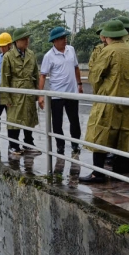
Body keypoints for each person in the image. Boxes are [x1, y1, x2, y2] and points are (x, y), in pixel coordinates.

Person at [79, 20, 129, 183]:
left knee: (101, 134)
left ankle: (97, 173)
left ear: (108, 36)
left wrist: (101, 90)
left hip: (108, 100)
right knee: (122, 134)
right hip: (127, 101)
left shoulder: (108, 51)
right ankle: (118, 171)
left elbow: (95, 76)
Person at [38, 26, 83, 157]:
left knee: (74, 120)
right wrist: (40, 95)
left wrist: (79, 84)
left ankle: (75, 144)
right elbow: (43, 76)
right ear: (55, 41)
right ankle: (60, 146)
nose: (65, 40)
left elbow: (76, 68)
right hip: (57, 94)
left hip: (71, 92)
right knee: (57, 123)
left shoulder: (71, 50)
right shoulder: (49, 56)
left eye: (65, 38)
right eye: (62, 38)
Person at [0, 28, 41, 156]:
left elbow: (36, 74)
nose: (26, 41)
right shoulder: (8, 56)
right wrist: (6, 98)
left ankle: (28, 143)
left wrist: (39, 94)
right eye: (24, 39)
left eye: (27, 39)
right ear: (16, 41)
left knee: (29, 118)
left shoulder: (31, 54)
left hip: (29, 90)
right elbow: (5, 78)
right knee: (14, 120)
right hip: (15, 92)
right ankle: (13, 145)